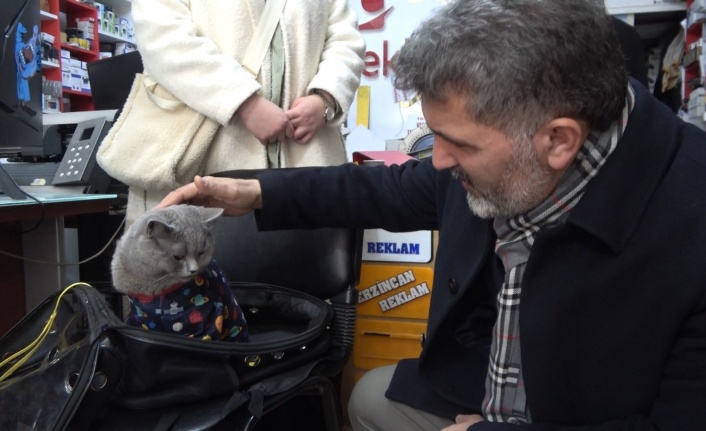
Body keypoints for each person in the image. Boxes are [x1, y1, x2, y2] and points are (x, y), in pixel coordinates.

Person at [157, 0, 706, 429]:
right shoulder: (513, 149)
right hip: (485, 395)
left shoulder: (688, 220)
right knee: (371, 398)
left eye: (456, 144)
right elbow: (374, 189)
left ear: (558, 141)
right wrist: (252, 192)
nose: (438, 161)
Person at [125, 0, 365, 224]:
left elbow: (346, 40)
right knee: (194, 257)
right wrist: (242, 100)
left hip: (309, 158)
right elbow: (163, 37)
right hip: (207, 157)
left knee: (314, 262)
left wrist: (325, 97)